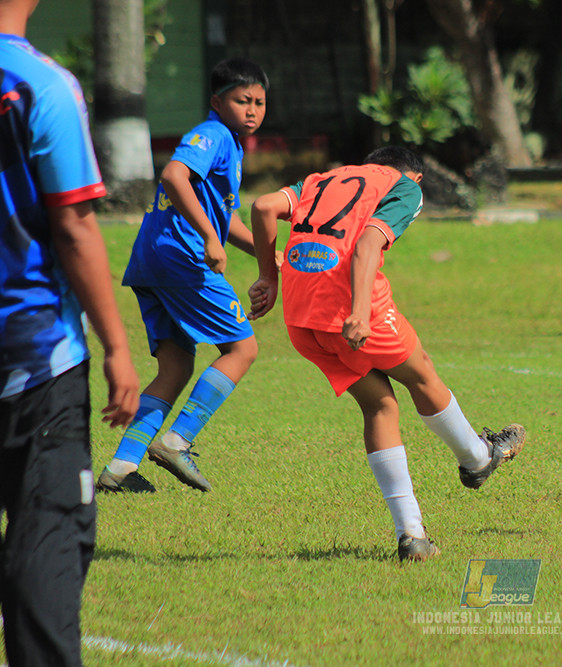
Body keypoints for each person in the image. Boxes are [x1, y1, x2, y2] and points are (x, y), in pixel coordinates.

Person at [248, 146, 526, 562]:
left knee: (380, 406)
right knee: (422, 374)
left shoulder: (322, 179)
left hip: (302, 319)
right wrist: (360, 312)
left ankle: (412, 535)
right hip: (355, 312)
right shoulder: (403, 186)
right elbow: (366, 245)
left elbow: (262, 206)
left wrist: (268, 278)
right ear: (415, 177)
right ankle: (477, 458)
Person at [0, 0, 141, 664]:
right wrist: (117, 346)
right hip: (32, 352)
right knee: (48, 532)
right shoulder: (41, 85)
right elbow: (75, 225)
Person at [95, 57, 269, 494]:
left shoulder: (229, 144)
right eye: (242, 100)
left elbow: (225, 218)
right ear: (217, 102)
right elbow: (174, 175)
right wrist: (208, 237)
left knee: (175, 366)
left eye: (260, 102)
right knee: (242, 348)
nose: (252, 110)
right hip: (181, 257)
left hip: (151, 260)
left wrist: (270, 255)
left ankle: (120, 469)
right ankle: (177, 441)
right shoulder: (213, 134)